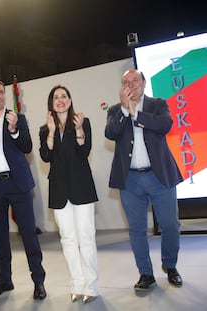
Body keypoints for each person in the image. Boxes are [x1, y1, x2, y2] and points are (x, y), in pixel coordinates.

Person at [105, 69, 183, 291]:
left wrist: (136, 114)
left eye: (135, 80)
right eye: (125, 82)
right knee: (137, 229)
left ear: (144, 83)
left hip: (159, 176)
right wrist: (124, 109)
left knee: (170, 225)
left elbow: (164, 125)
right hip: (130, 180)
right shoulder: (114, 110)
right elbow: (111, 133)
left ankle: (170, 266)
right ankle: (146, 273)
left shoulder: (158, 104)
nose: (131, 84)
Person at [0, 80, 46, 300]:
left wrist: (13, 130)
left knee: (29, 234)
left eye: (1, 93)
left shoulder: (17, 118)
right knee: (1, 237)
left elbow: (28, 147)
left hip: (18, 184)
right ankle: (5, 281)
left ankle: (39, 282)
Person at [39, 85, 99, 304]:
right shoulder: (45, 129)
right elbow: (46, 157)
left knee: (86, 236)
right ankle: (77, 284)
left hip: (81, 187)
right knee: (68, 238)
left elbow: (84, 152)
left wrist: (80, 131)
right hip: (59, 190)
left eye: (64, 96)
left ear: (71, 100)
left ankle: (91, 286)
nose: (60, 100)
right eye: (56, 97)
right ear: (51, 103)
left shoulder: (83, 122)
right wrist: (52, 132)